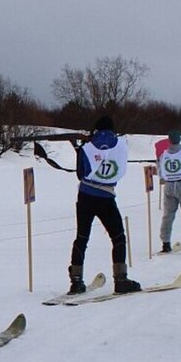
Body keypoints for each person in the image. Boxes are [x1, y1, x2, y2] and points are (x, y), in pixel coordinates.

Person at [67, 115, 141, 295]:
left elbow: (81, 173)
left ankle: (76, 282)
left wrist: (79, 150)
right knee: (118, 238)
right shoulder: (121, 145)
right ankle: (121, 280)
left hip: (85, 195)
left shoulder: (88, 147)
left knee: (82, 238)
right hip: (107, 196)